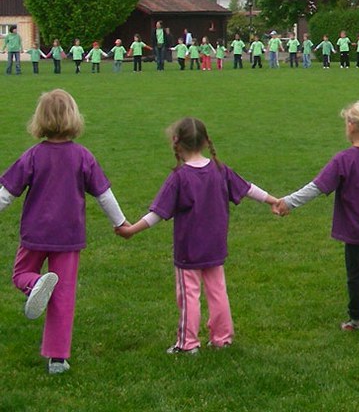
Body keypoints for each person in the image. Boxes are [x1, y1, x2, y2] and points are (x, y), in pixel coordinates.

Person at [115, 118, 279, 353]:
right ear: (205, 142)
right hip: (215, 247)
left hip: (189, 251)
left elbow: (158, 213)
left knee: (189, 295)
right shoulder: (220, 170)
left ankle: (188, 343)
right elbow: (248, 188)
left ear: (176, 142)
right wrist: (272, 200)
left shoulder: (180, 178)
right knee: (218, 291)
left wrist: (132, 230)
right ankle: (222, 338)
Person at [1, 90, 127, 374]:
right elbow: (104, 194)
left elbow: (7, 193)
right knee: (63, 295)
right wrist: (120, 223)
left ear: (40, 119)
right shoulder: (83, 156)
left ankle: (36, 284)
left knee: (21, 274)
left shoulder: (33, 156)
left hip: (35, 233)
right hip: (69, 237)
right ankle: (57, 359)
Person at [275, 102, 359, 329]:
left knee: (357, 276)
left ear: (351, 126)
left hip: (356, 231)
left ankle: (358, 319)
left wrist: (288, 202)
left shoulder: (344, 160)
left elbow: (316, 187)